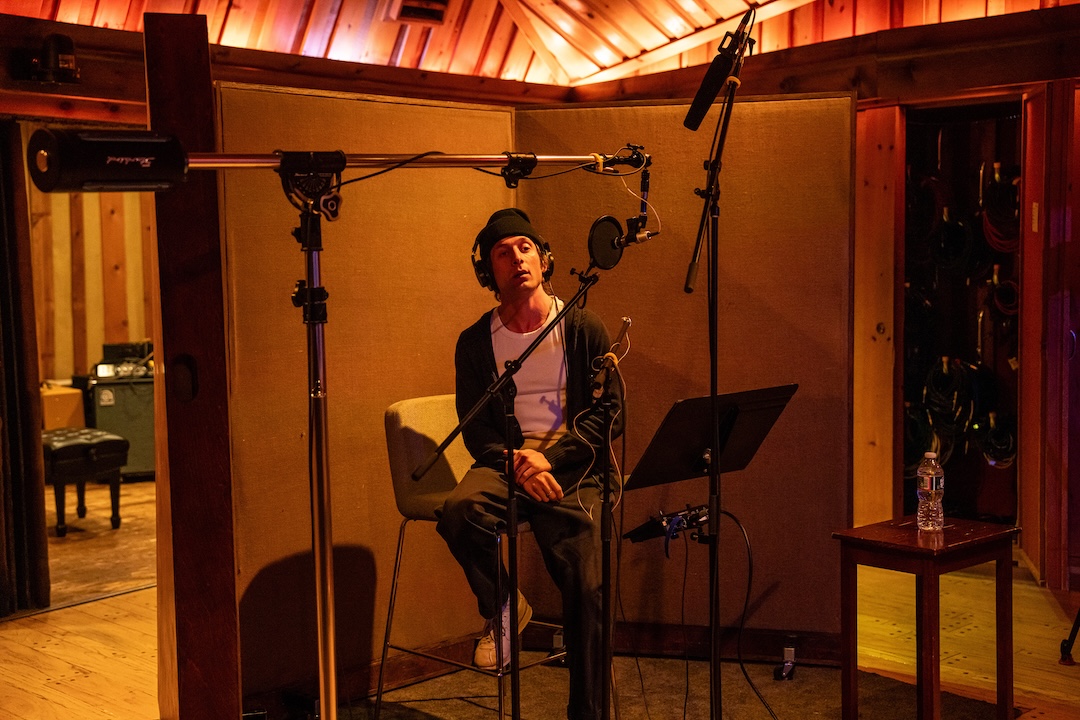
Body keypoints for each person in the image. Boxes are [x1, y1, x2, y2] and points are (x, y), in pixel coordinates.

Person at [436, 208, 624, 720]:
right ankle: (504, 606)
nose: (517, 258)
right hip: (510, 465)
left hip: (576, 468)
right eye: (503, 252)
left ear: (544, 259)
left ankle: (588, 715)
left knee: (587, 588)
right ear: (488, 273)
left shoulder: (583, 326)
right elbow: (475, 429)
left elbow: (612, 414)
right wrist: (518, 462)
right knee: (459, 511)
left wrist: (549, 459)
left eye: (524, 247)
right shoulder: (475, 343)